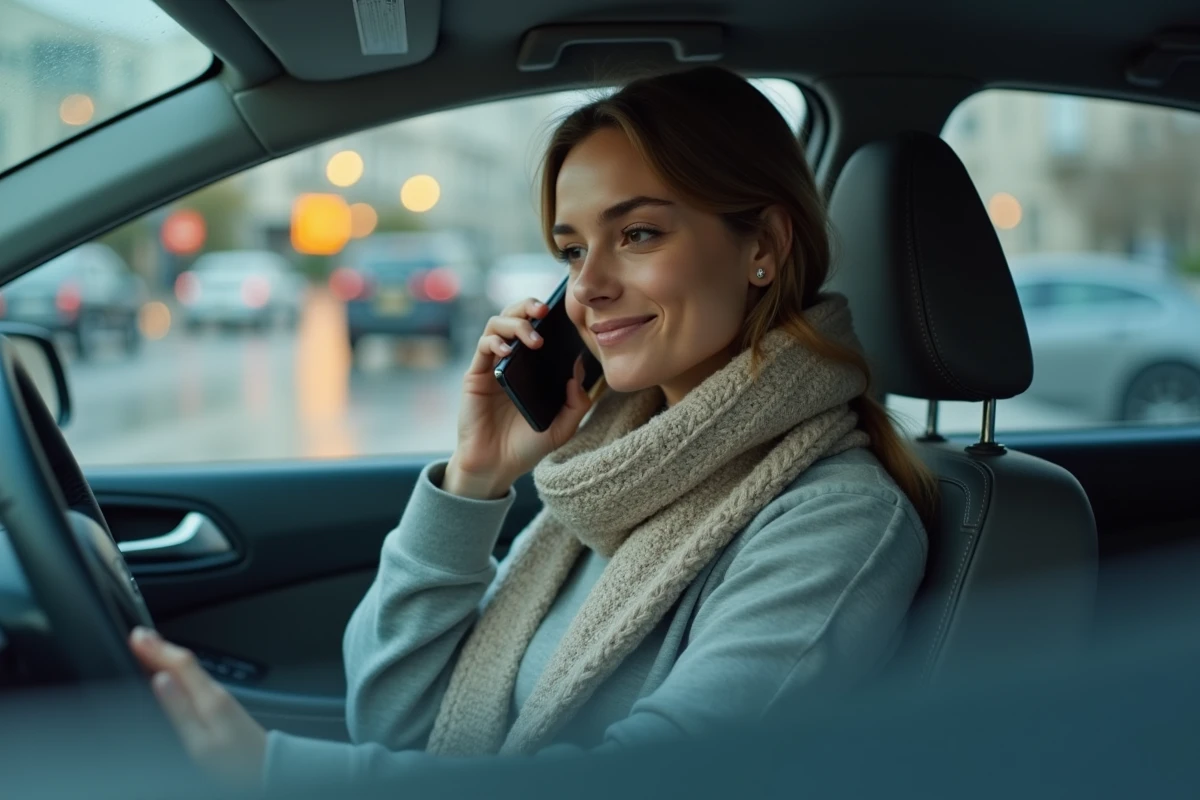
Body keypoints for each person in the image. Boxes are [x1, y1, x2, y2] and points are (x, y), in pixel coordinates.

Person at [129, 65, 935, 791]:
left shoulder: (838, 522)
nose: (588, 288)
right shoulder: (616, 469)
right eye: (571, 250)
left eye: (638, 234)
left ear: (763, 246)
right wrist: (475, 478)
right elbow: (395, 719)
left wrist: (270, 773)